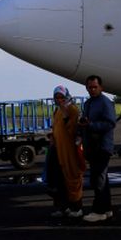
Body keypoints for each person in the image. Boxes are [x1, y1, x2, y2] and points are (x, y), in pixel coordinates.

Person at [79, 74, 117, 223]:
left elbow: (110, 123)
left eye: (95, 87)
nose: (92, 89)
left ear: (101, 87)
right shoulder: (89, 103)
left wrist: (91, 125)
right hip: (92, 147)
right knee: (102, 179)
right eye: (90, 87)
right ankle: (106, 209)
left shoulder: (105, 102)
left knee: (98, 180)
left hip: (102, 146)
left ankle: (99, 211)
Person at [46, 85, 85, 219]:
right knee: (58, 180)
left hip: (69, 151)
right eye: (57, 97)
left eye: (61, 97)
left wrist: (66, 116)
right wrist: (52, 136)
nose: (59, 100)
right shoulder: (57, 111)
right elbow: (57, 128)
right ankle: (63, 208)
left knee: (72, 178)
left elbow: (73, 131)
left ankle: (77, 208)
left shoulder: (72, 109)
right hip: (58, 150)